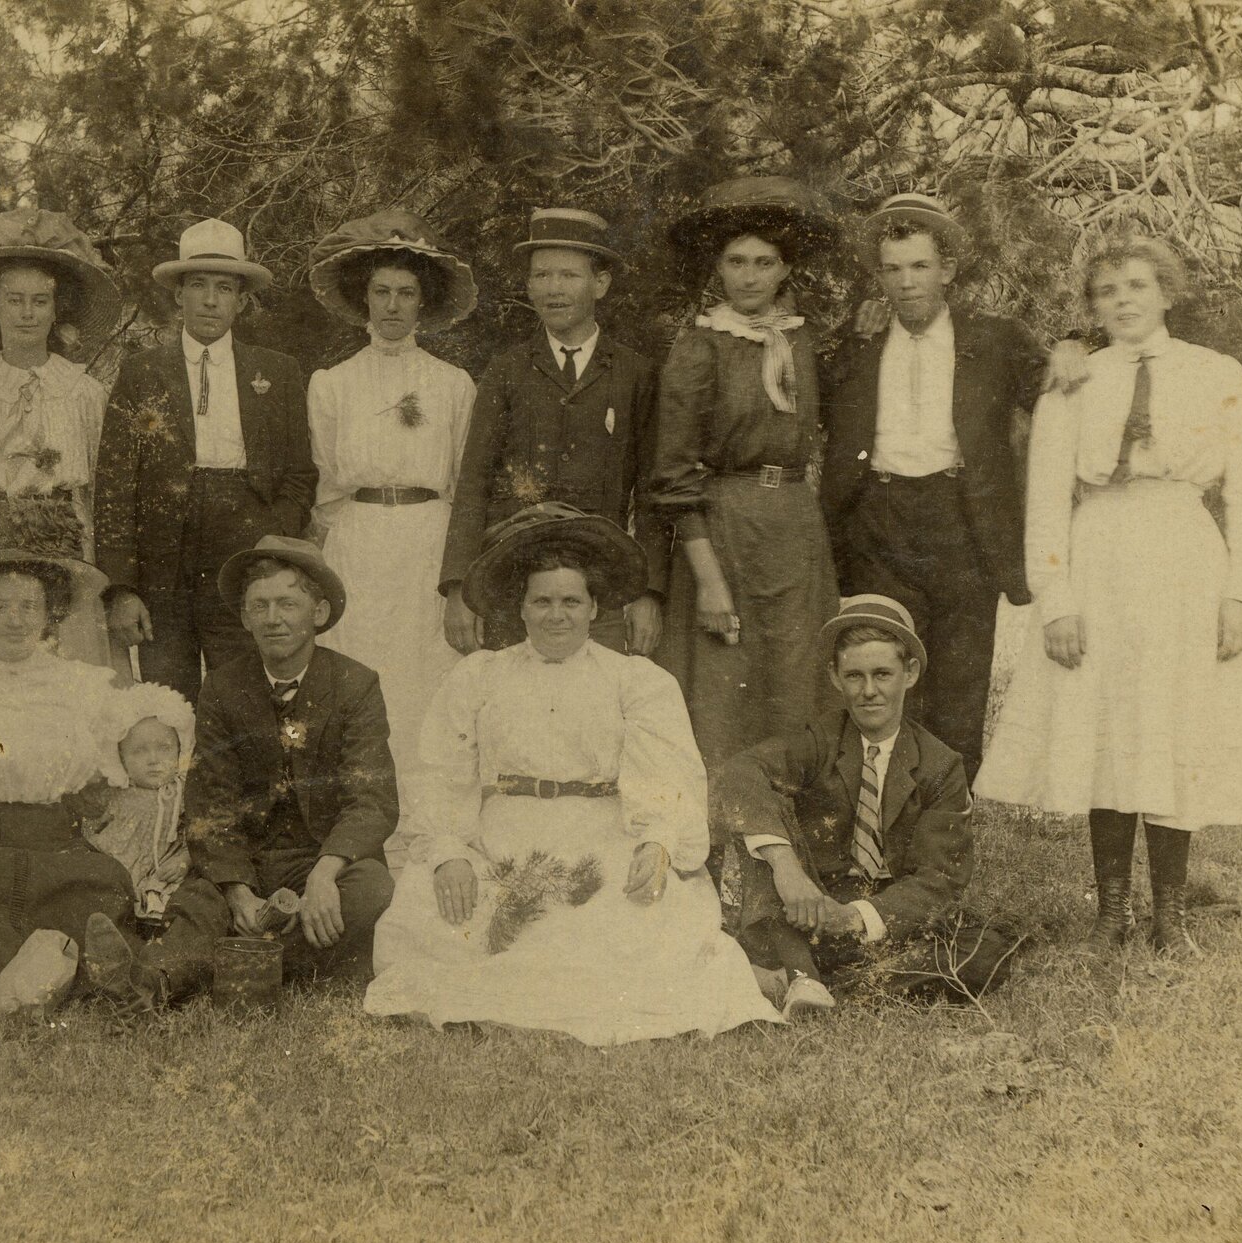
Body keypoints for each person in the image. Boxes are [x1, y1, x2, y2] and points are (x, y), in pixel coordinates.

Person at [366, 504, 778, 1044]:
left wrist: (657, 842)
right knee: (440, 915)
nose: (555, 616)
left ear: (594, 607)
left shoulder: (636, 681)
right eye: (542, 601)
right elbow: (441, 770)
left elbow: (669, 774)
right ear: (521, 607)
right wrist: (447, 851)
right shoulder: (479, 677)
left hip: (602, 835)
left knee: (628, 923)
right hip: (503, 835)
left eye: (571, 601)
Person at [975, 237, 1242, 956]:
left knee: (1176, 726)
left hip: (1185, 558)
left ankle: (1170, 914)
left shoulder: (1217, 373)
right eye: (1108, 291)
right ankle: (1110, 912)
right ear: (1093, 306)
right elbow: (1046, 500)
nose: (1124, 301)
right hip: (1099, 559)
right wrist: (1056, 600)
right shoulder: (1073, 381)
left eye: (1138, 286)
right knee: (1106, 725)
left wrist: (1241, 593)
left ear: (1167, 294)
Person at [78, 536, 398, 1007]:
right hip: (249, 862)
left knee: (372, 888)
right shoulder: (224, 687)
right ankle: (152, 983)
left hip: (320, 859)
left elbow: (371, 800)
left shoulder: (355, 684)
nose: (273, 618)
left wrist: (325, 874)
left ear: (319, 612)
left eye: (288, 603)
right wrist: (237, 892)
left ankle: (219, 967)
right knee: (199, 901)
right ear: (245, 618)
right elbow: (211, 801)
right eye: (259, 606)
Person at [820, 192, 1052, 778]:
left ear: (947, 270)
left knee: (960, 681)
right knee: (884, 672)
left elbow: (1058, 391)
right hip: (878, 520)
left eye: (920, 266)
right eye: (892, 269)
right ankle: (882, 805)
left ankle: (950, 810)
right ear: (879, 277)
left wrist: (1075, 340)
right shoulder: (860, 339)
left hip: (962, 520)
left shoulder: (996, 338)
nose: (906, 283)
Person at [712, 595, 1013, 1014]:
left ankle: (805, 982)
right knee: (762, 830)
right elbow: (739, 772)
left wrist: (854, 918)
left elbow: (939, 880)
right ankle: (809, 976)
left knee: (984, 951)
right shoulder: (820, 739)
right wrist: (787, 868)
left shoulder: (940, 766)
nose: (869, 691)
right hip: (805, 911)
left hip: (879, 918)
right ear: (835, 678)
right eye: (854, 676)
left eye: (882, 674)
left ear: (910, 673)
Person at [0, 501, 138, 1010]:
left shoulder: (85, 686)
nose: (15, 621)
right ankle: (20, 979)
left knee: (104, 885)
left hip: (56, 845)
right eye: (0, 607)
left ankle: (52, 974)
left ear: (49, 611)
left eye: (29, 606)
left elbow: (109, 781)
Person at [650, 177, 841, 766]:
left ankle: (792, 808)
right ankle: (720, 814)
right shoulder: (700, 346)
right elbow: (673, 474)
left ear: (786, 270)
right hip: (725, 527)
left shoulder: (804, 343)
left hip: (795, 525)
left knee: (796, 675)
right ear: (718, 267)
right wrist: (708, 580)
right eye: (736, 262)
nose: (749, 277)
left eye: (764, 263)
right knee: (723, 685)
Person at [305, 208, 479, 855]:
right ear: (364, 299)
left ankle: (427, 830)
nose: (393, 306)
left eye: (406, 293)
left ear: (423, 301)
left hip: (427, 542)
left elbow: (462, 482)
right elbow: (326, 482)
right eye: (381, 292)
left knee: (422, 680)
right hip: (357, 541)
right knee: (360, 673)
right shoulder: (332, 384)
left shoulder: (453, 384)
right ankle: (359, 826)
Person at [91, 218, 317, 700]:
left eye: (225, 288)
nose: (211, 300)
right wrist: (121, 587)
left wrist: (270, 539)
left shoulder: (277, 372)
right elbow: (114, 487)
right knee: (167, 697)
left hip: (243, 557)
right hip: (163, 565)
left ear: (241, 300)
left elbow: (299, 475)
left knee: (246, 696)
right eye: (198, 286)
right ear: (178, 295)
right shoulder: (142, 372)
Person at [438, 207, 665, 657]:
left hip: (603, 582)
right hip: (515, 578)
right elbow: (473, 484)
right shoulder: (506, 370)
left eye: (569, 275)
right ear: (527, 286)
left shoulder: (636, 374)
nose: (554, 288)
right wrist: (460, 588)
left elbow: (652, 494)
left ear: (601, 284)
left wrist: (648, 592)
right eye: (542, 275)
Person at [0, 208, 124, 672]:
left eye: (40, 301)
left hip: (66, 550)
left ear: (57, 310)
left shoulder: (84, 391)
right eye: (14, 300)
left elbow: (98, 491)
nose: (27, 313)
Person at [81, 682, 195, 925]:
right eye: (139, 751)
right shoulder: (113, 794)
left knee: (186, 901)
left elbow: (202, 835)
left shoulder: (185, 795)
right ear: (121, 758)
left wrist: (185, 859)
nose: (153, 760)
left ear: (179, 750)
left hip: (165, 875)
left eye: (164, 748)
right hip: (118, 872)